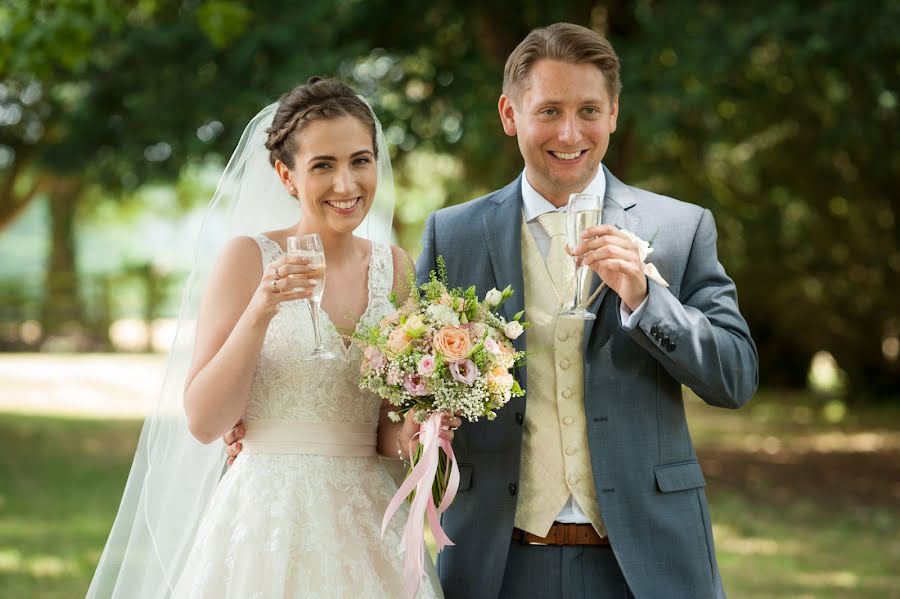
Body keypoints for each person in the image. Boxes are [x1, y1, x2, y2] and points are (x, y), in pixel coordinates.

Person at [414, 23, 759, 599]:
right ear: (509, 114)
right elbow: (410, 393)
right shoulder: (453, 235)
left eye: (589, 110)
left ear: (615, 113)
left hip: (647, 561)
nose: (570, 133)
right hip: (497, 561)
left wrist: (647, 300)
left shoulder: (679, 227)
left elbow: (736, 379)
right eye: (548, 110)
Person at [87, 77, 453, 598]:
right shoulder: (246, 258)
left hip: (367, 522)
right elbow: (204, 421)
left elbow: (384, 438)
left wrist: (427, 422)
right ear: (286, 175)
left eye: (360, 160)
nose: (347, 185)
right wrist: (261, 307)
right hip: (268, 519)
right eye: (323, 165)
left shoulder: (396, 269)